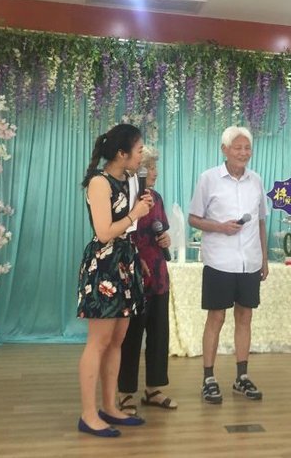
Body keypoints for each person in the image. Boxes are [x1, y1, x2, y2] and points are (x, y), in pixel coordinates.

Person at [76, 123, 154, 437]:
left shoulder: (127, 182)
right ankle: (88, 414)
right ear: (122, 153)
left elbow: (124, 230)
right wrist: (135, 213)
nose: (141, 157)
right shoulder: (99, 182)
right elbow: (104, 232)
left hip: (125, 261)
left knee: (116, 341)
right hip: (104, 266)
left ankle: (110, 406)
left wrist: (137, 259)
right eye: (138, 151)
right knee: (98, 342)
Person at [188, 126, 269, 404]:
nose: (243, 153)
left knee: (245, 317)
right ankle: (208, 378)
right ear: (224, 149)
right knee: (216, 318)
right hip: (220, 261)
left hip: (250, 262)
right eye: (238, 147)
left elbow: (260, 221)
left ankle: (242, 377)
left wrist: (264, 259)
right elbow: (194, 218)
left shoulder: (256, 180)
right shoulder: (208, 178)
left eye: (247, 148)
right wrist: (220, 227)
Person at [117, 146, 178, 411]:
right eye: (150, 168)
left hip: (158, 274)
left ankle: (154, 389)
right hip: (133, 275)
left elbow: (160, 229)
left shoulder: (157, 198)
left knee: (158, 334)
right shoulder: (125, 198)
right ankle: (125, 392)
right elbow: (119, 234)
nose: (155, 172)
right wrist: (134, 258)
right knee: (131, 336)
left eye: (155, 167)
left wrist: (166, 239)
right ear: (137, 171)